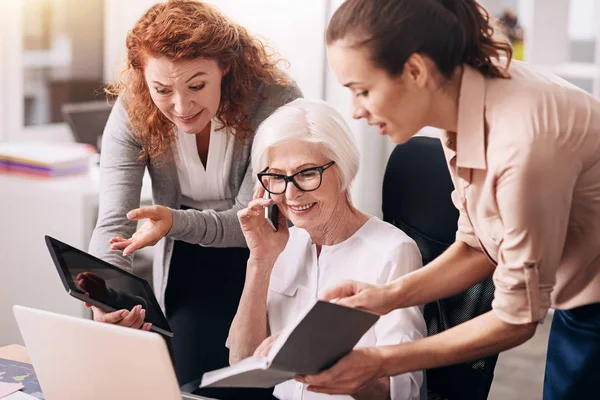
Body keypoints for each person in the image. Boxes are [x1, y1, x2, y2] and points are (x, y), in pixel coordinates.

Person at [294, 1, 600, 399]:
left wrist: (383, 361)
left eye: (363, 91)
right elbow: (479, 248)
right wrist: (384, 297)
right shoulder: (458, 108)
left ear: (416, 71)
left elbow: (517, 317)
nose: (356, 112)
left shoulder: (521, 146)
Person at [87, 0, 301, 396]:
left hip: (264, 252)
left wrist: (173, 222)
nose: (181, 108)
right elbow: (115, 221)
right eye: (162, 90)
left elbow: (250, 219)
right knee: (191, 381)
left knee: (262, 380)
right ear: (142, 79)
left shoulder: (274, 100)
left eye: (197, 85)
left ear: (225, 67)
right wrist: (103, 297)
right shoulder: (135, 108)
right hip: (188, 253)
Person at [227, 98, 427, 400]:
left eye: (307, 173)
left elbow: (403, 391)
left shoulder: (392, 251)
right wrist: (260, 261)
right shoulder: (281, 244)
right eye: (277, 177)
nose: (291, 193)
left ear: (342, 170)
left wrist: (329, 366)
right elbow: (242, 363)